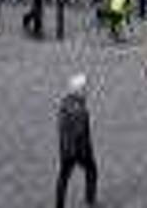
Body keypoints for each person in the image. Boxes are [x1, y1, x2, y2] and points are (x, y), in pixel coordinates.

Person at [56, 74, 98, 208]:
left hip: (65, 148)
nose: (87, 90)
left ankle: (59, 205)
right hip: (78, 150)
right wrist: (84, 151)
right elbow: (80, 133)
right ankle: (90, 200)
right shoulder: (79, 110)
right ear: (79, 90)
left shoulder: (65, 102)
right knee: (92, 170)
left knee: (63, 176)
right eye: (84, 88)